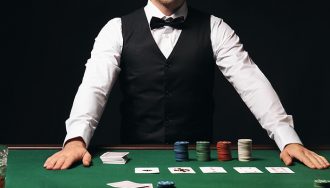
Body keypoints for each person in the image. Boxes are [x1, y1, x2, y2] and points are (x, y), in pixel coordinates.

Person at [44, 0, 330, 170]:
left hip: (198, 161)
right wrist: (76, 140)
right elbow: (94, 86)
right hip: (136, 157)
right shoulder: (115, 29)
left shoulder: (216, 27)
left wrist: (287, 138)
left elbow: (251, 81)